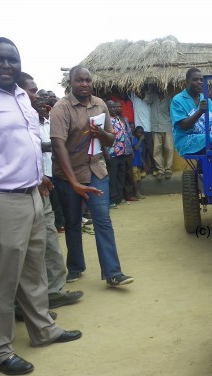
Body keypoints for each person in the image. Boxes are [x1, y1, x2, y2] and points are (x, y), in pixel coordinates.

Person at [0, 37, 82, 375]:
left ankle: (42, 330)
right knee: (1, 279)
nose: (6, 65)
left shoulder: (20, 96)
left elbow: (22, 144)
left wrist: (38, 176)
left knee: (33, 271)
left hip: (32, 195)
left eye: (12, 59)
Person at [50, 66, 134, 287]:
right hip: (68, 174)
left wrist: (101, 133)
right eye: (79, 80)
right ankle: (76, 267)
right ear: (71, 82)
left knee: (103, 220)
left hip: (96, 169)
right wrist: (74, 182)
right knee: (73, 222)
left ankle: (113, 273)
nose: (85, 84)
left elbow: (111, 139)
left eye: (88, 80)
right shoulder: (61, 108)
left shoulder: (101, 104)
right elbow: (58, 147)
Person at [17, 72, 83, 310]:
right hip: (14, 195)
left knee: (49, 241)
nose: (36, 96)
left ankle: (54, 291)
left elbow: (30, 151)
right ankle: (23, 305)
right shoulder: (5, 117)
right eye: (32, 91)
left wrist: (40, 175)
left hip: (38, 184)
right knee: (23, 254)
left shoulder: (31, 117)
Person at [171, 68, 212, 156]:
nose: (199, 82)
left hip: (210, 138)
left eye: (201, 80)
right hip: (188, 141)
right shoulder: (178, 100)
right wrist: (200, 111)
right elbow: (184, 126)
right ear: (187, 81)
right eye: (195, 80)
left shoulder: (207, 100)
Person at [145, 84, 174, 180]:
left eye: (161, 88)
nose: (159, 90)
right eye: (157, 88)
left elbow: (172, 111)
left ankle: (168, 169)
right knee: (157, 150)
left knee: (169, 148)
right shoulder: (152, 97)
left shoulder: (168, 98)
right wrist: (150, 89)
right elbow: (146, 99)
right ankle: (160, 170)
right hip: (155, 127)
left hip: (167, 125)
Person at [105, 100, 128, 207]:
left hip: (122, 152)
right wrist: (106, 153)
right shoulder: (106, 121)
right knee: (112, 177)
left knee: (120, 175)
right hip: (112, 153)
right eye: (111, 107)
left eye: (115, 107)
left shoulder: (119, 118)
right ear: (107, 109)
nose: (114, 109)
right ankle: (112, 199)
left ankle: (119, 197)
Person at [129, 85, 155, 177]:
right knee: (141, 151)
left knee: (150, 149)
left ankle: (154, 168)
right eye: (136, 90)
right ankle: (144, 170)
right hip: (138, 129)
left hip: (148, 128)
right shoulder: (133, 97)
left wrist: (149, 89)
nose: (137, 92)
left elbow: (150, 92)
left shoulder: (148, 98)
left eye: (139, 90)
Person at [131, 126, 147, 196]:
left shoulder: (142, 144)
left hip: (139, 162)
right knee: (135, 179)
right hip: (134, 163)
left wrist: (144, 163)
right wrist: (141, 139)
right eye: (138, 132)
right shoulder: (134, 139)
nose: (139, 134)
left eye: (141, 133)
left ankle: (138, 192)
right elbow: (136, 147)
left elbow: (140, 154)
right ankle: (136, 193)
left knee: (139, 179)